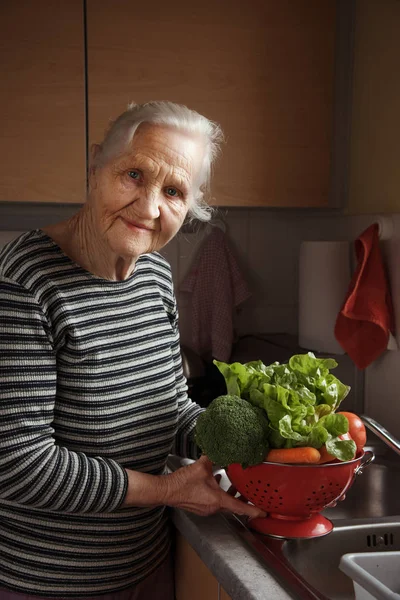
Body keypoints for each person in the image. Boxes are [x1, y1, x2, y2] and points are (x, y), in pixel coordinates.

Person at [0, 101, 264, 600]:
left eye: (173, 191)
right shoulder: (25, 283)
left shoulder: (153, 276)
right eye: (133, 174)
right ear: (96, 164)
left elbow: (167, 410)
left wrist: (258, 446)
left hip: (145, 566)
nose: (148, 208)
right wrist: (167, 490)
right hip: (51, 584)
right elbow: (17, 463)